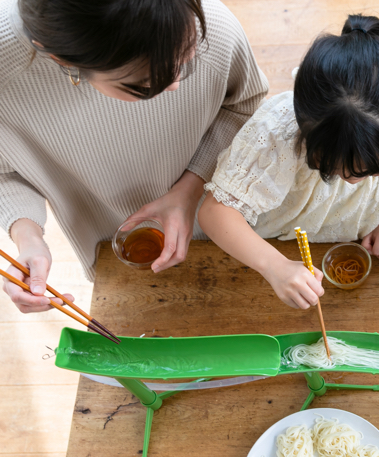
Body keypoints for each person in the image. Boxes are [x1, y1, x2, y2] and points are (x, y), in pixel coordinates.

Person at [1, 0, 268, 313]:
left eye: (188, 59)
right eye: (144, 85)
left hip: (233, 216)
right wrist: (28, 236)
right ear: (63, 61)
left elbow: (243, 106)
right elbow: (5, 170)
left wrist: (189, 190)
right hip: (119, 247)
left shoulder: (210, 22)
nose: (175, 84)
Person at [199, 14, 379, 310]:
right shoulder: (277, 132)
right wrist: (274, 266)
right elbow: (215, 213)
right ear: (302, 128)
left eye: (376, 169)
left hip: (351, 236)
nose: (352, 181)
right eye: (332, 169)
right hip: (270, 247)